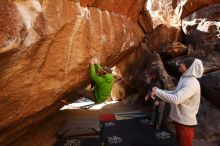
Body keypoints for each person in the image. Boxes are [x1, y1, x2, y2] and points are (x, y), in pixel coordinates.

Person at [151, 57, 204, 146]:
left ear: (189, 67)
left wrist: (158, 92)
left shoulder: (192, 83)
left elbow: (176, 99)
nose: (180, 64)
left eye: (183, 63)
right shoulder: (185, 79)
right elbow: (175, 92)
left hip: (185, 123)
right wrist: (159, 91)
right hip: (180, 121)